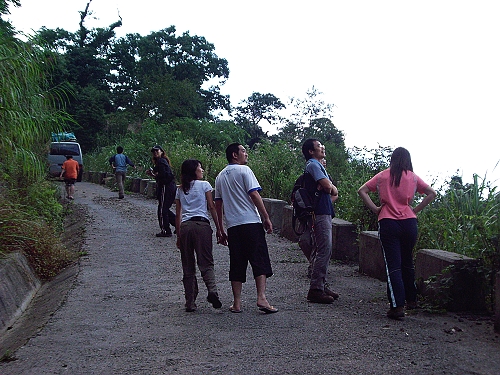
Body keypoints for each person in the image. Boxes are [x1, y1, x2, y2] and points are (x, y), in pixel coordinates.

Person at [358, 147, 436, 319]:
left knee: (393, 265)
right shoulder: (413, 177)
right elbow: (432, 193)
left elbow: (362, 190)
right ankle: (412, 300)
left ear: (392, 159)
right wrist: (414, 210)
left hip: (388, 222)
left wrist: (376, 209)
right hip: (409, 223)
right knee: (407, 261)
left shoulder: (383, 176)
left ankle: (397, 306)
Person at [214, 143, 278, 314]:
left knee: (236, 262)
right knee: (259, 259)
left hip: (233, 226)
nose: (246, 154)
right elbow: (254, 194)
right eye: (243, 151)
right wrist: (266, 217)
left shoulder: (220, 176)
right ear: (235, 155)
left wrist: (220, 229)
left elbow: (218, 205)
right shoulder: (245, 171)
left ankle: (236, 303)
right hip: (250, 222)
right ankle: (261, 298)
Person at [175, 159, 224, 312]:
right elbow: (212, 207)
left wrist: (178, 235)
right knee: (206, 262)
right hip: (202, 226)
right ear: (194, 171)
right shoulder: (205, 185)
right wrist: (219, 229)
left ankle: (190, 301)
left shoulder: (180, 189)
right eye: (199, 168)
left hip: (185, 227)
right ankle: (212, 291)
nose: (202, 170)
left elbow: (178, 214)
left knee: (188, 265)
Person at [298, 139, 339, 304]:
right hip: (320, 212)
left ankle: (320, 285)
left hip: (324, 211)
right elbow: (329, 187)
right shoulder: (314, 165)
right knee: (324, 249)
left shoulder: (317, 166)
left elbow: (333, 189)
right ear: (310, 151)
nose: (322, 148)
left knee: (323, 249)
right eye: (319, 146)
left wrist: (328, 186)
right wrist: (326, 185)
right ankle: (316, 290)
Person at [146, 145, 176, 237]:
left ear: (162, 151)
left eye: (157, 151)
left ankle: (165, 230)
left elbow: (165, 175)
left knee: (162, 209)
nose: (155, 152)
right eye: (154, 151)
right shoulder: (162, 162)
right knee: (165, 209)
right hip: (169, 187)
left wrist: (154, 175)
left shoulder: (161, 162)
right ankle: (178, 225)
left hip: (166, 187)